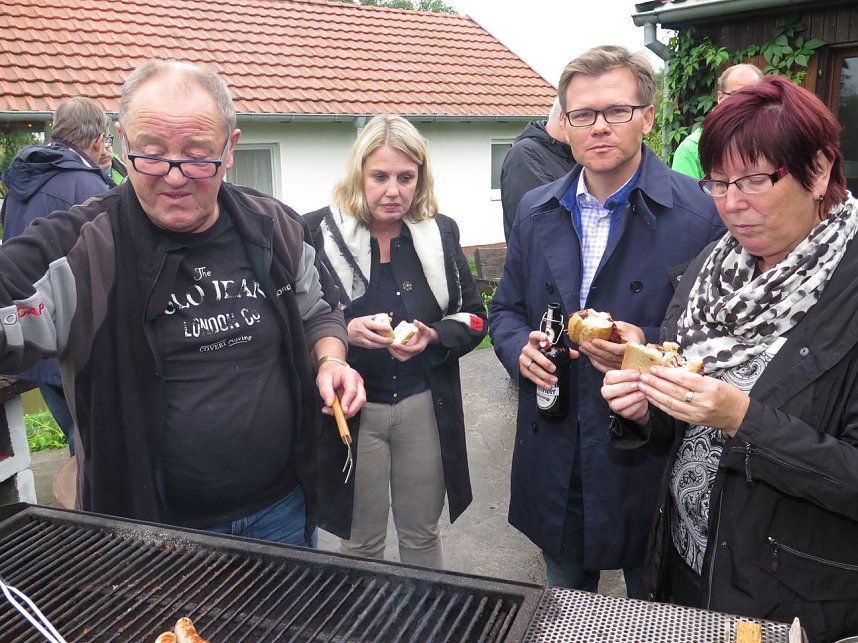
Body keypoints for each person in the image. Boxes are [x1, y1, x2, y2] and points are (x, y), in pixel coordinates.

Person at [0, 61, 365, 547]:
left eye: (197, 157)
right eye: (151, 154)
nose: (174, 177)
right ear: (122, 143)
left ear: (230, 148)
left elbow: (319, 311)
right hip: (148, 532)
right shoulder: (79, 247)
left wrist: (331, 359)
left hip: (282, 509)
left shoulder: (272, 226)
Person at [602, 77, 858, 643]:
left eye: (755, 181)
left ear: (817, 171)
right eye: (717, 183)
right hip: (688, 560)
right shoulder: (711, 267)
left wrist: (746, 420)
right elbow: (684, 405)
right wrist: (646, 408)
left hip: (791, 598)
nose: (731, 205)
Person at [489, 45, 724, 596]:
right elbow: (504, 310)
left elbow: (721, 338)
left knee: (657, 607)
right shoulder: (537, 209)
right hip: (557, 441)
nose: (599, 127)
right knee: (566, 600)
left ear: (647, 115)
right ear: (564, 124)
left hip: (652, 451)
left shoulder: (699, 217)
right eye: (583, 115)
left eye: (616, 111)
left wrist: (651, 345)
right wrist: (517, 348)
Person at [305, 114, 487, 568]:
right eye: (380, 176)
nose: (394, 191)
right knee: (361, 542)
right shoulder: (315, 234)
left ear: (420, 178)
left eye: (406, 178)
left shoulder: (439, 232)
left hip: (422, 405)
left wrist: (432, 335)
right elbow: (299, 321)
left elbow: (476, 318)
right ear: (358, 175)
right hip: (353, 414)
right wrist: (344, 332)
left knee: (421, 536)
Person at [1, 96, 112, 456]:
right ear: (97, 140)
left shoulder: (21, 181)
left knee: (74, 439)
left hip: (32, 337)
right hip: (80, 342)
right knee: (98, 447)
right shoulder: (87, 187)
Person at [671, 63, 763, 179]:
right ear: (720, 98)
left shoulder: (774, 141)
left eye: (753, 95)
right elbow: (684, 196)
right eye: (736, 95)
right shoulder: (690, 151)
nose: (745, 102)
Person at [501, 98, 575, 241]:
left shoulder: (572, 154)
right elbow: (542, 226)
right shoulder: (525, 155)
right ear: (563, 118)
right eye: (584, 116)